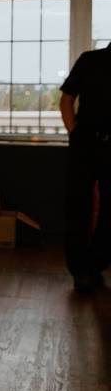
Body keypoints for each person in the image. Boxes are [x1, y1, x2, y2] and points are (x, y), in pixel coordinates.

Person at [60, 43, 111, 292]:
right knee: (78, 204)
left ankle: (97, 263)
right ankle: (79, 269)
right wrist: (74, 134)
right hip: (85, 143)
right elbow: (67, 99)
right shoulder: (89, 59)